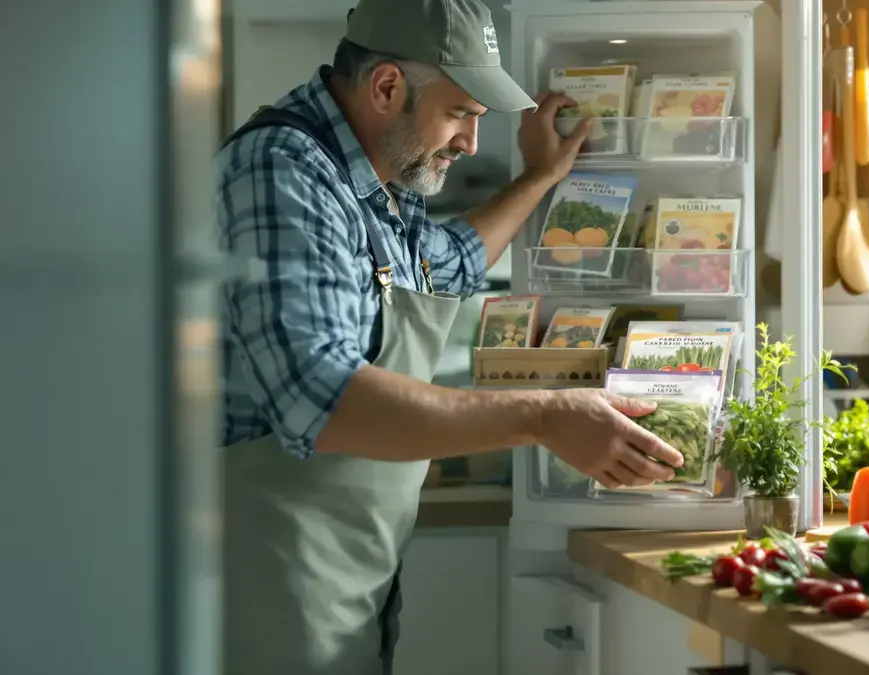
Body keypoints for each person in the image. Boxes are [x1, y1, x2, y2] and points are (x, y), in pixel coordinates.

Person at [214, 0, 684, 673]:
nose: (470, 142)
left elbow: (451, 262)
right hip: (265, 587)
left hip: (345, 583)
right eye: (459, 112)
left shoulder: (379, 177)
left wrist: (539, 177)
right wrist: (545, 416)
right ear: (386, 87)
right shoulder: (281, 171)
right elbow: (319, 397)